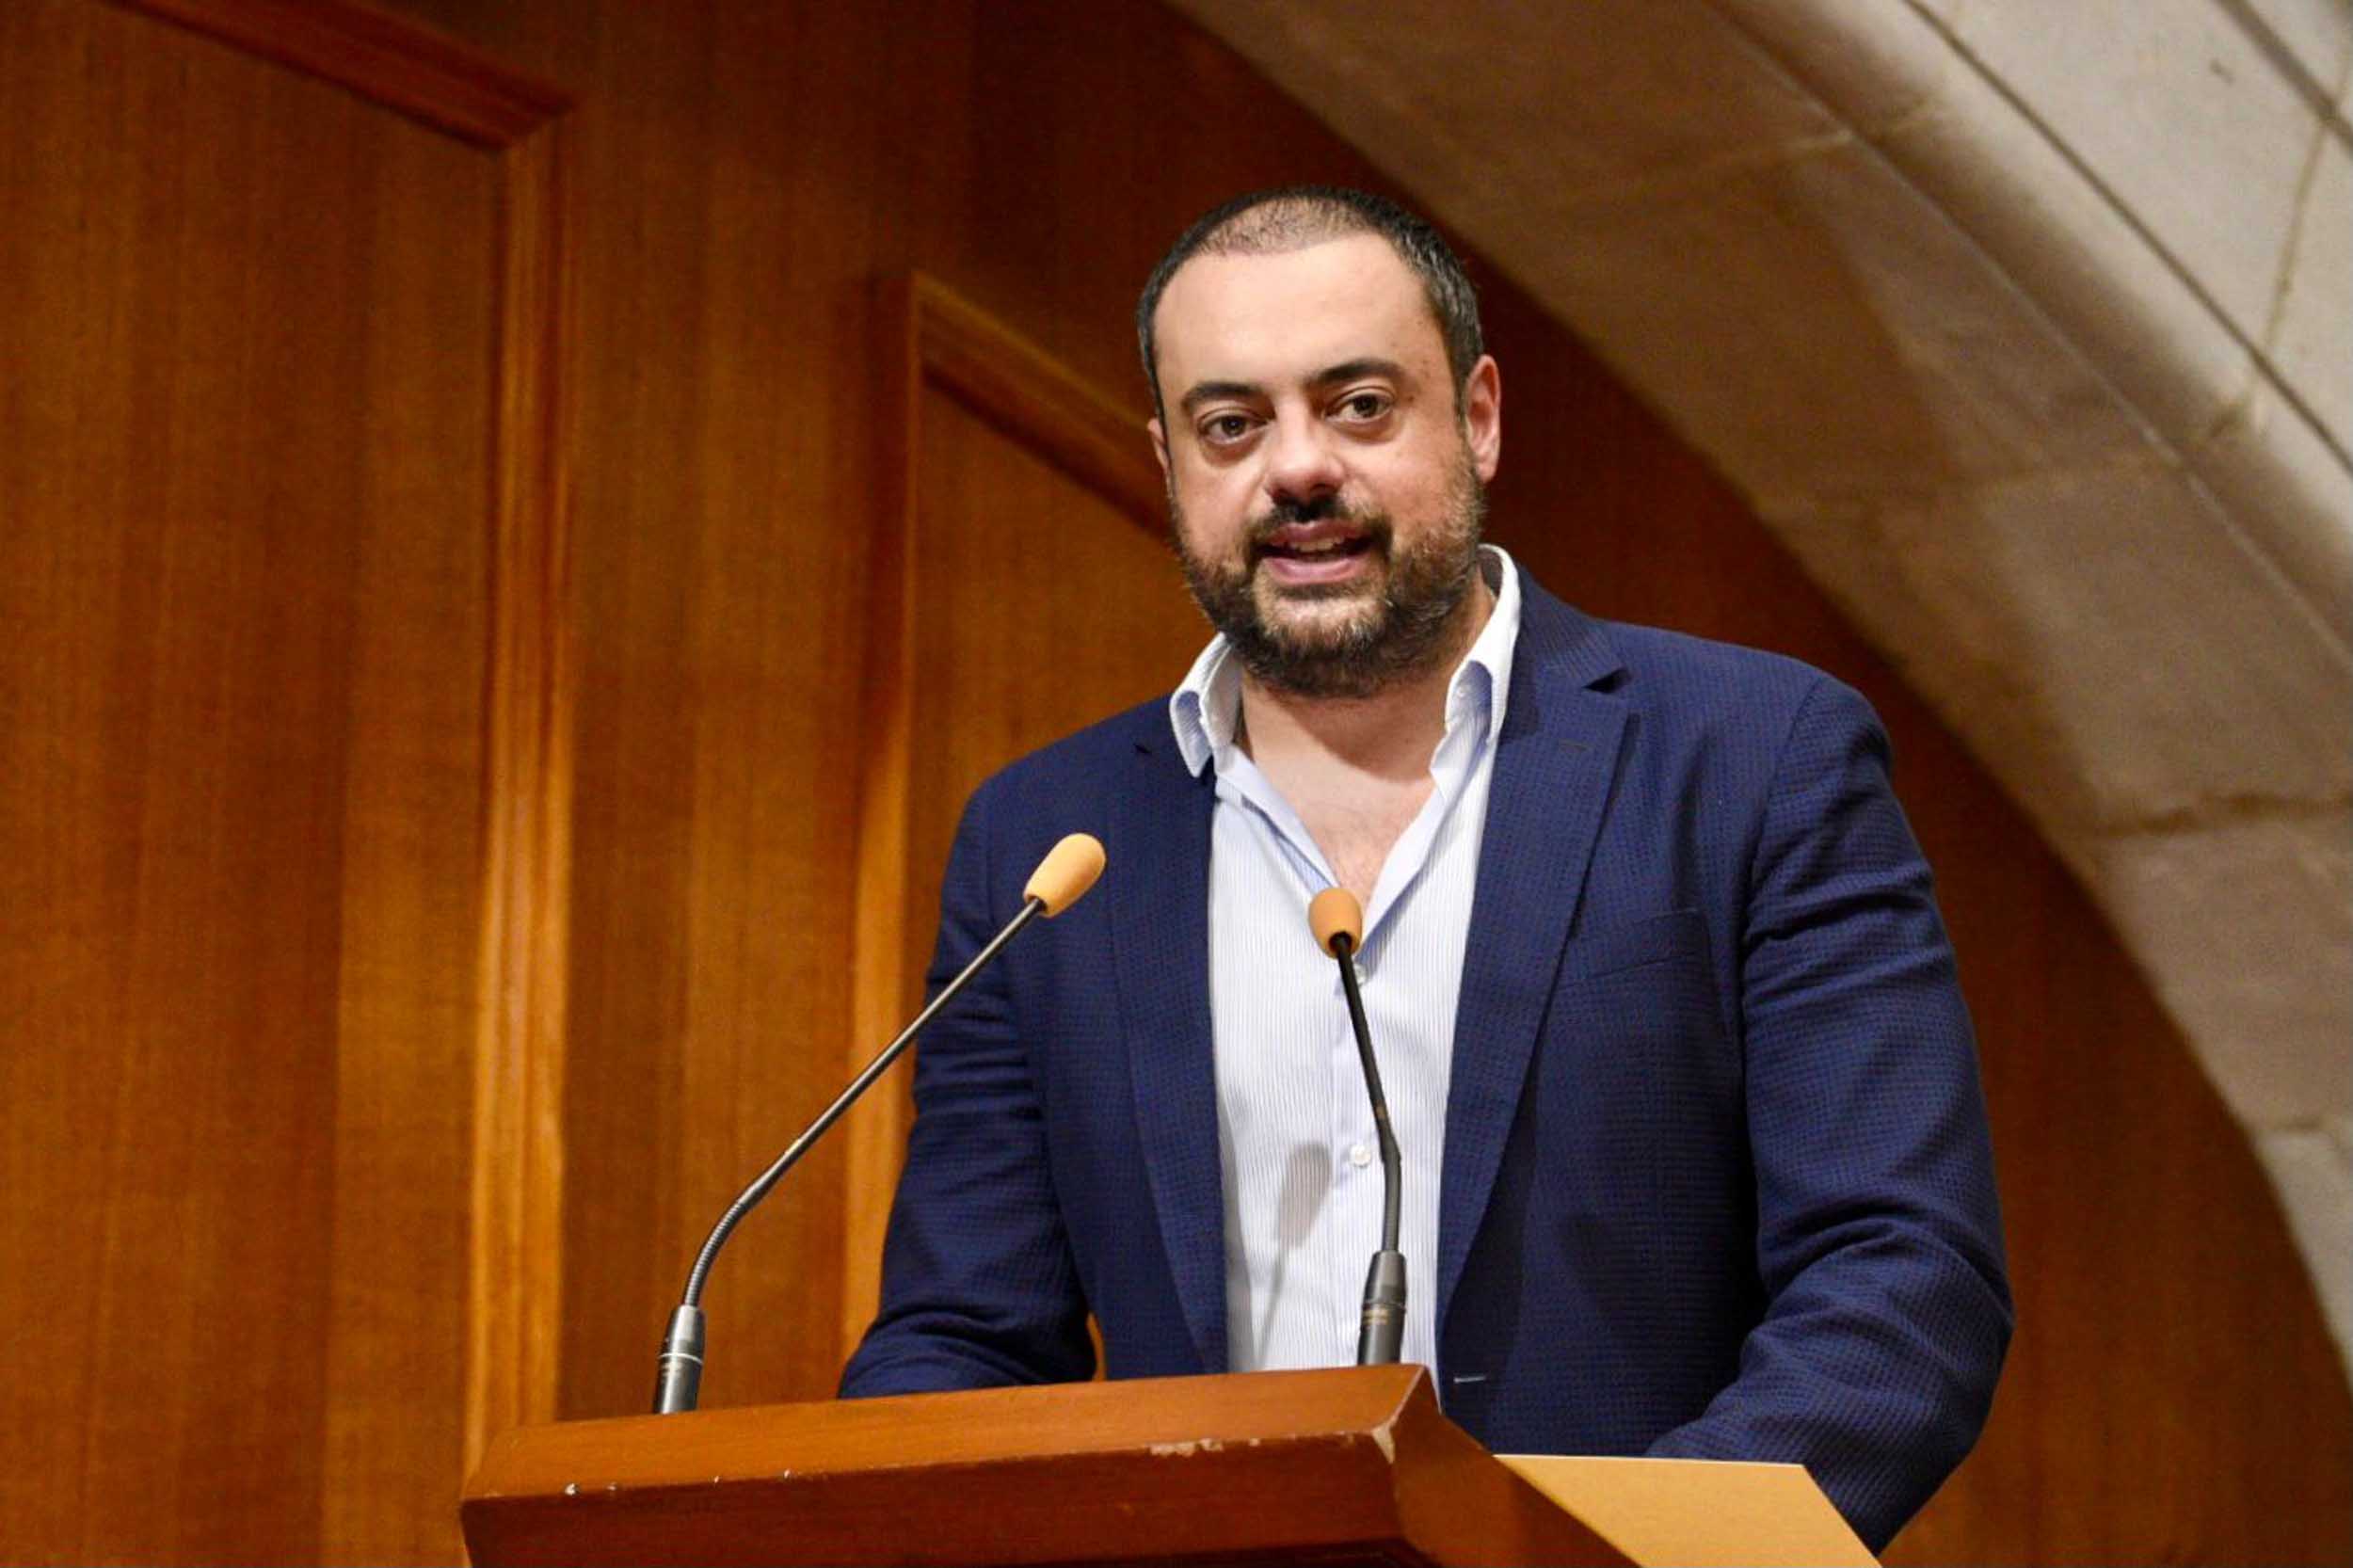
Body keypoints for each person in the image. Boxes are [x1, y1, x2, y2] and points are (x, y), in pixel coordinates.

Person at [839, 185, 2010, 1552]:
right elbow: (962, 1338)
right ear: (1169, 464)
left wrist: (1596, 1561)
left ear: (1480, 417)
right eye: (1231, 425)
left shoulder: (1753, 758)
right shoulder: (1048, 841)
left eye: (1358, 406)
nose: (1296, 470)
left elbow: (1901, 1287)